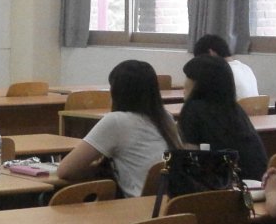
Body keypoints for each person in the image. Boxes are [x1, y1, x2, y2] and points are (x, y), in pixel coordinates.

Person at [57, 60, 184, 197]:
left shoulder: (116, 121)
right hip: (173, 203)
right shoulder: (165, 117)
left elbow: (65, 171)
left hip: (141, 206)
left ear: (117, 91)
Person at [177, 55, 268, 181]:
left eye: (187, 77)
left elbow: (189, 157)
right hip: (257, 180)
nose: (184, 84)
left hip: (226, 184)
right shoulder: (235, 108)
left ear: (198, 82)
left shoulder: (193, 109)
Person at [193, 33, 259, 101]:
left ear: (211, 53)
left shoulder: (220, 72)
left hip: (234, 107)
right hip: (254, 107)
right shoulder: (246, 68)